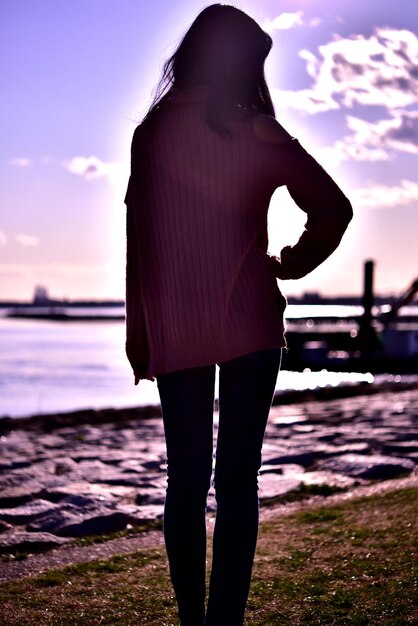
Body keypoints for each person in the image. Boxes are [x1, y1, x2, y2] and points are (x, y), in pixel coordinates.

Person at [124, 5, 352, 625]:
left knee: (186, 479)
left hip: (178, 326)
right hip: (251, 321)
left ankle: (193, 624)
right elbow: (335, 208)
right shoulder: (258, 131)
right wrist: (293, 263)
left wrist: (142, 336)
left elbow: (138, 245)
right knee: (238, 482)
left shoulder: (152, 134)